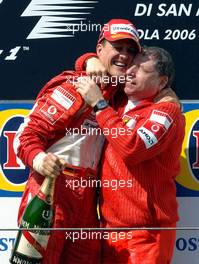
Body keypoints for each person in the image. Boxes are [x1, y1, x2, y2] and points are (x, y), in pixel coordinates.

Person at [13, 19, 142, 264]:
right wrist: (42, 161)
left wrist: (87, 59)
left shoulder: (120, 97)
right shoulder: (76, 86)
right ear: (100, 49)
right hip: (52, 191)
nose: (124, 56)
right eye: (118, 47)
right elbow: (25, 136)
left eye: (130, 50)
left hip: (88, 202)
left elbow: (153, 71)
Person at [75, 46, 185, 264]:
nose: (130, 72)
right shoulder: (117, 103)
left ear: (162, 82)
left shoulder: (167, 111)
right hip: (107, 230)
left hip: (145, 234)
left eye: (142, 69)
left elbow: (132, 148)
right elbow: (82, 65)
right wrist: (89, 61)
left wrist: (99, 104)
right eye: (130, 66)